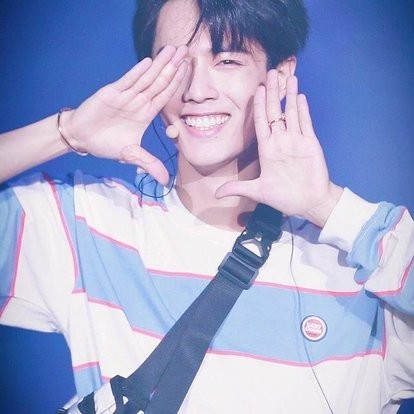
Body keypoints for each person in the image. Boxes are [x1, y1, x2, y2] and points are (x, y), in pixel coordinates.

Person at [0, 0, 413, 412]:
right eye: (176, 62)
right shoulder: (92, 224)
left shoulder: (361, 271)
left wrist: (328, 206)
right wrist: (67, 133)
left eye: (227, 60)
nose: (196, 91)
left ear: (281, 74)